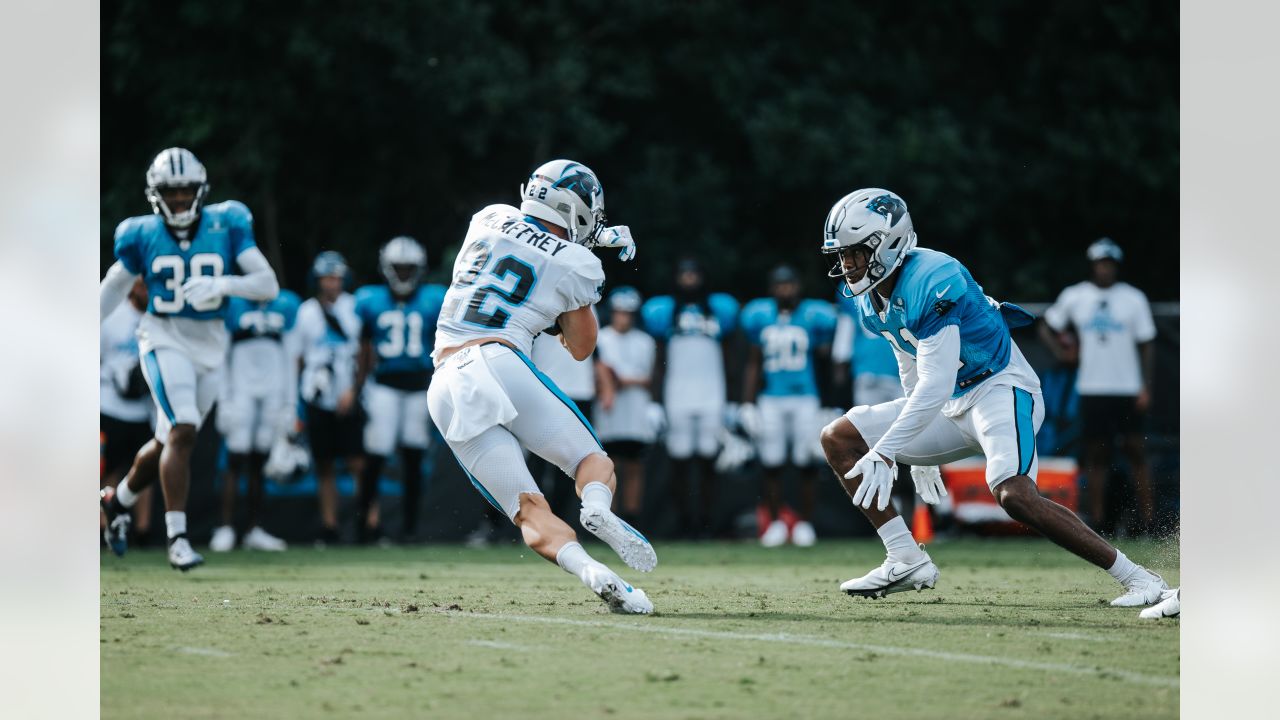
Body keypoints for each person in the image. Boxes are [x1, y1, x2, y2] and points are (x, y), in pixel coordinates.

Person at [817, 188, 1167, 607]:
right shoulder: (869, 297)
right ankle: (905, 556)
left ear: (889, 243)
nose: (847, 264)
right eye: (843, 254)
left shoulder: (932, 276)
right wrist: (912, 437)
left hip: (999, 389)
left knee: (1015, 495)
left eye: (856, 252)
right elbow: (909, 360)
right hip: (948, 405)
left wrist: (888, 449)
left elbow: (938, 382)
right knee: (838, 437)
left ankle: (1142, 579)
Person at [428, 158, 654, 613]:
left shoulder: (487, 218)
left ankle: (597, 575)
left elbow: (527, 244)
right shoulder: (578, 263)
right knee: (594, 462)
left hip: (444, 382)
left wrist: (588, 244)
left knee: (528, 510)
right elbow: (581, 346)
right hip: (499, 357)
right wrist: (594, 257)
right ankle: (597, 508)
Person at [99, 147, 280, 571]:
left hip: (210, 345)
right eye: (170, 192)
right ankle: (177, 537)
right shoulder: (140, 233)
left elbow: (267, 284)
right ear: (155, 194)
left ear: (200, 191)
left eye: (185, 192)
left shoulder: (228, 222)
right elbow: (110, 290)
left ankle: (116, 500)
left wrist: (224, 284)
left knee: (168, 441)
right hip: (163, 336)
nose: (179, 200)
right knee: (183, 429)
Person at [1040, 238, 1158, 535]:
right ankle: (1098, 523)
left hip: (1127, 388)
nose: (1105, 269)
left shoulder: (1133, 299)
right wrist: (1062, 352)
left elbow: (1146, 344)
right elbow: (1047, 326)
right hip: (1092, 386)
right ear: (1093, 265)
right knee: (1096, 454)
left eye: (1110, 264)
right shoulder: (1075, 296)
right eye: (1100, 263)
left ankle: (1148, 522)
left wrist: (1145, 385)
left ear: (1116, 266)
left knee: (1136, 452)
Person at [353, 237, 445, 544]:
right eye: (398, 268)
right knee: (375, 457)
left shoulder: (434, 299)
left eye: (408, 269)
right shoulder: (370, 300)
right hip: (384, 387)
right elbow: (363, 348)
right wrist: (357, 387)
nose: (403, 274)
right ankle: (363, 527)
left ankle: (409, 529)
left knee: (414, 459)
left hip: (420, 387)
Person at [739, 265, 837, 547]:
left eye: (790, 285)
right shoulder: (760, 316)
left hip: (806, 396)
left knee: (807, 461)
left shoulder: (813, 315)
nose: (786, 290)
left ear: (798, 287)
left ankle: (805, 523)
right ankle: (776, 522)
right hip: (771, 398)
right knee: (771, 462)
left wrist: (828, 402)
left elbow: (824, 360)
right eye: (780, 285)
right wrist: (747, 403)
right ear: (772, 289)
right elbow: (754, 363)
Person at [641, 259, 740, 538]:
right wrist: (655, 400)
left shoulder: (720, 309)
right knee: (679, 461)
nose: (689, 280)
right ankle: (685, 521)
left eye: (694, 274)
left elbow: (730, 356)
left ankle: (707, 521)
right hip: (677, 393)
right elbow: (658, 358)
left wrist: (734, 400)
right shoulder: (665, 310)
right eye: (685, 275)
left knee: (709, 458)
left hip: (713, 392)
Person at [209, 288, 302, 551]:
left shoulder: (285, 305)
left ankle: (254, 528)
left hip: (273, 390)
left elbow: (290, 358)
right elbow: (221, 355)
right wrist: (223, 398)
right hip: (241, 389)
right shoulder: (233, 304)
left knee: (260, 459)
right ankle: (225, 526)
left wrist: (290, 403)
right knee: (235, 457)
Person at [294, 251, 364, 546]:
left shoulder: (355, 307)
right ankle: (330, 526)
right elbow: (298, 358)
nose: (331, 283)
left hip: (348, 393)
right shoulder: (307, 312)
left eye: (335, 277)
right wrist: (299, 399)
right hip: (317, 395)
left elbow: (364, 351)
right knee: (324, 464)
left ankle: (368, 523)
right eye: (326, 277)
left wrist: (354, 390)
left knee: (358, 463)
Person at [593, 287, 658, 527]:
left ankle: (632, 518)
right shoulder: (601, 337)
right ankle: (609, 518)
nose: (624, 318)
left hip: (636, 410)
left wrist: (623, 380)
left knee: (634, 465)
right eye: (620, 312)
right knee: (610, 465)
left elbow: (649, 376)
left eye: (628, 313)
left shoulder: (645, 341)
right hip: (610, 410)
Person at [100, 278, 156, 552]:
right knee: (108, 469)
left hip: (143, 409)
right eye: (144, 286)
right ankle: (103, 526)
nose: (148, 291)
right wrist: (114, 375)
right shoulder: (111, 314)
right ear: (133, 287)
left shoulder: (157, 317)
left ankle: (142, 531)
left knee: (144, 471)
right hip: (111, 404)